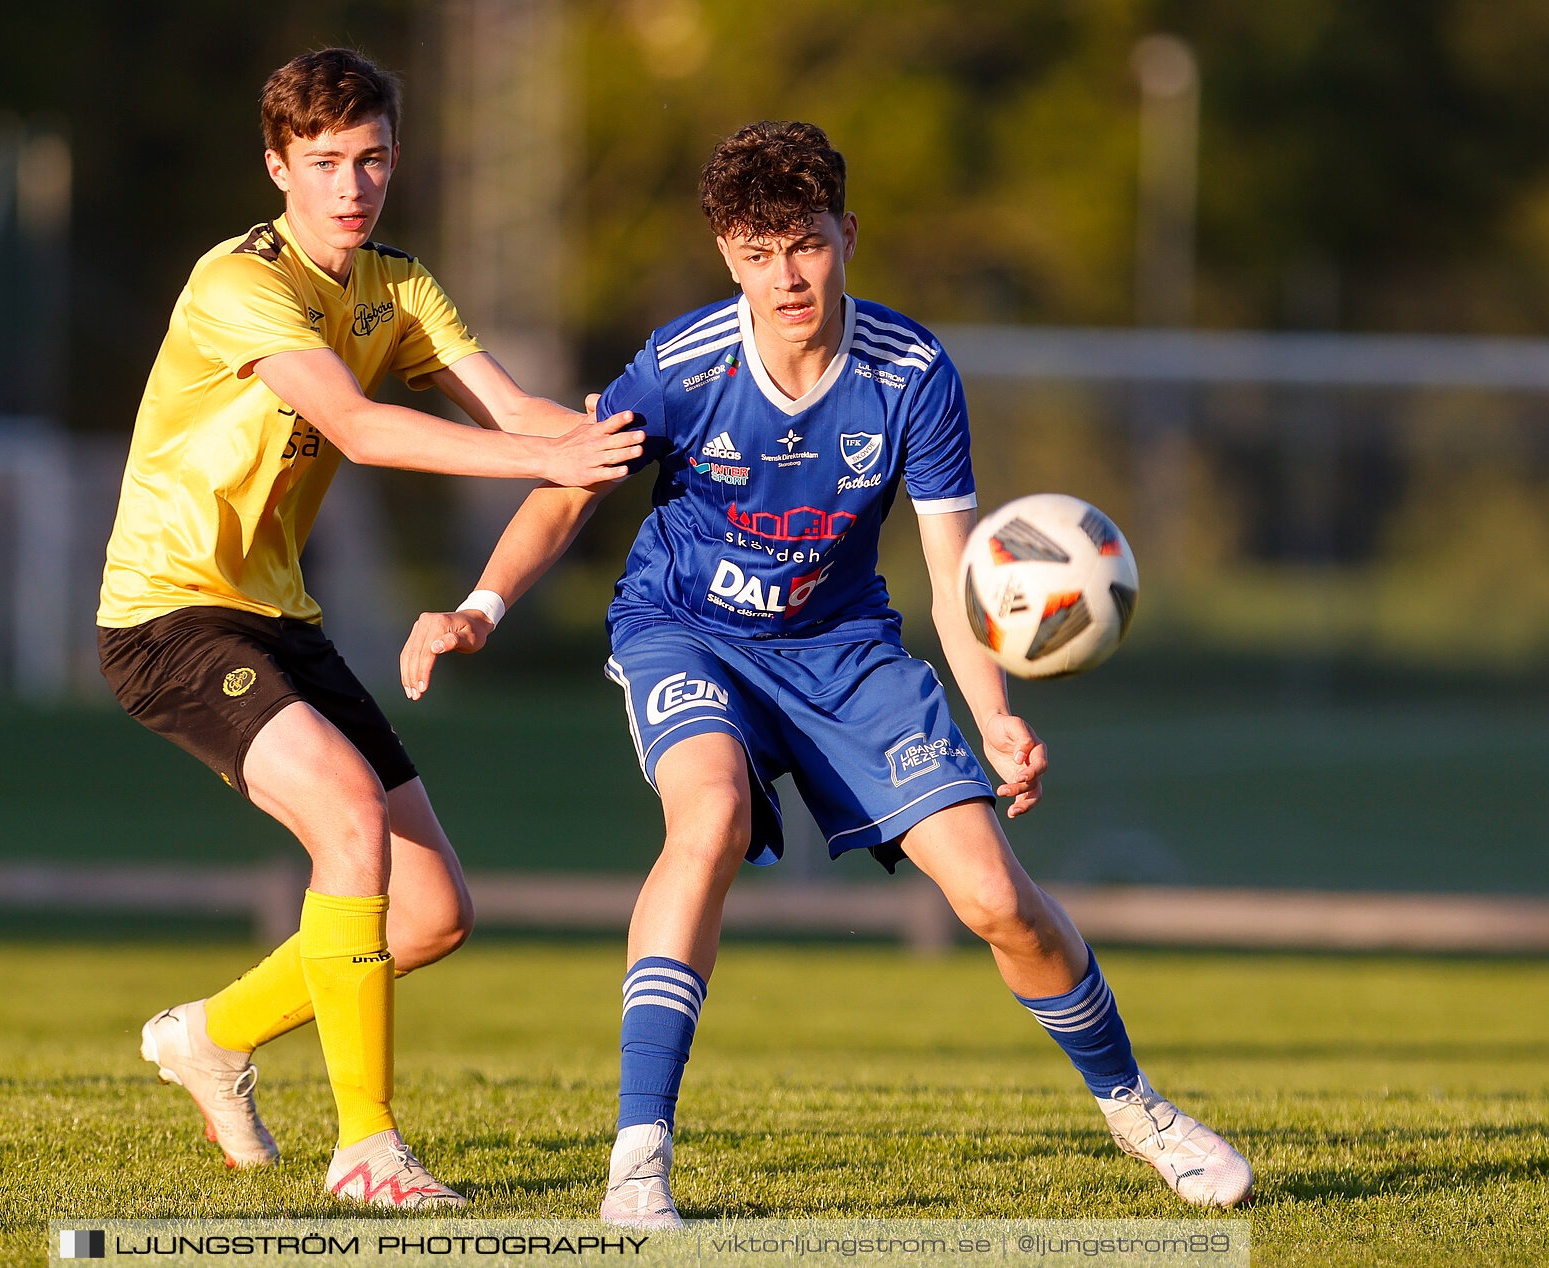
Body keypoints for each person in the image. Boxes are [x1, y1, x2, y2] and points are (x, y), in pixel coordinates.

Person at [401, 120, 1251, 1226]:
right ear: (727, 257)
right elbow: (569, 488)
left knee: (997, 897)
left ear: (845, 234)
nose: (783, 275)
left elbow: (955, 574)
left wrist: (993, 714)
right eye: (755, 253)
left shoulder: (912, 373)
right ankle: (639, 1155)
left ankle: (1135, 1104)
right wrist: (479, 606)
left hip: (846, 650)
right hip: (687, 630)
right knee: (702, 822)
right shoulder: (683, 364)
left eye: (802, 244)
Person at [95, 47, 642, 1208]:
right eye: (328, 162)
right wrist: (550, 455)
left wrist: (631, 438)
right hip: (169, 612)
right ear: (278, 165)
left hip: (279, 619)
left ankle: (212, 1033)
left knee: (435, 911)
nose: (354, 186)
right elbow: (359, 426)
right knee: (348, 814)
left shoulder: (397, 284)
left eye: (375, 158)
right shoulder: (240, 280)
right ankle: (368, 1151)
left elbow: (517, 408)